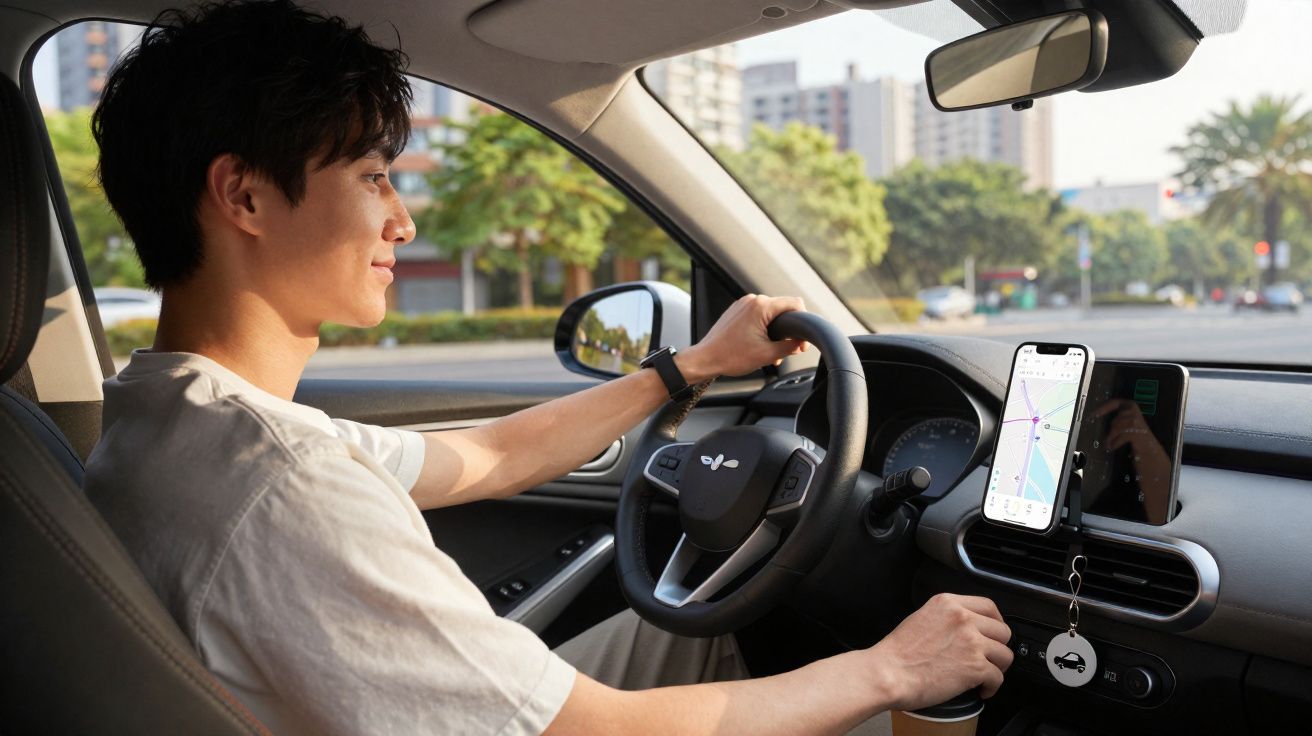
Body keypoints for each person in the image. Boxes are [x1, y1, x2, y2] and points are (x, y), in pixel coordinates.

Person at [83, 1, 1013, 734]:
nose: (403, 219)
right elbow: (592, 732)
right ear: (243, 196)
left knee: (709, 624)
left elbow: (490, 457)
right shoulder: (284, 486)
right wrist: (893, 670)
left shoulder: (166, 415)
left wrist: (691, 367)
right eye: (372, 177)